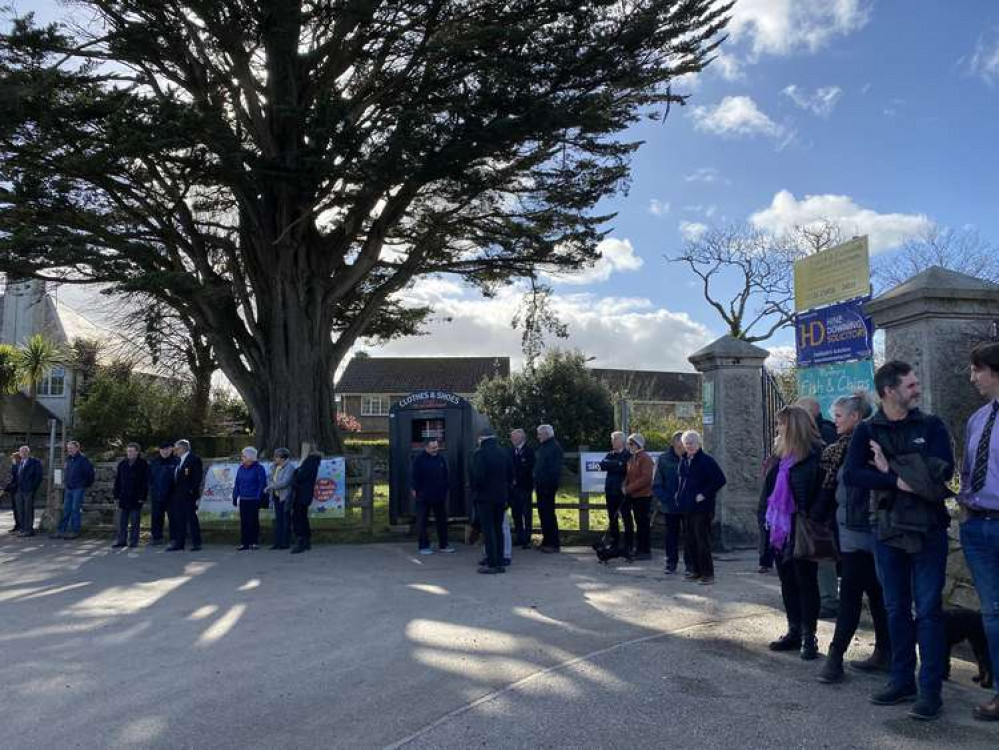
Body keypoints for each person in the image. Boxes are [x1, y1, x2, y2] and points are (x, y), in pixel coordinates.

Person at [843, 360, 954, 721]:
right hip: (887, 529)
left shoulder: (932, 425)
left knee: (928, 611)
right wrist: (895, 481)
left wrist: (890, 467)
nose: (917, 389)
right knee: (895, 609)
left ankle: (930, 690)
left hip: (928, 530)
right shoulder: (867, 430)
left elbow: (939, 476)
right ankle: (901, 679)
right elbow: (854, 475)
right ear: (889, 391)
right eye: (910, 385)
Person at [817, 392, 891, 684]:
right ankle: (884, 652)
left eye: (838, 415)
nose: (834, 421)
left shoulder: (869, 444)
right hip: (850, 530)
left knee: (858, 593)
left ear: (855, 417)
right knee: (872, 593)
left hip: (869, 530)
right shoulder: (841, 449)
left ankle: (836, 657)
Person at [762, 406, 827, 661]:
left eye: (781, 424)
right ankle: (794, 630)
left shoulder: (816, 454)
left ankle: (809, 636)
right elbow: (767, 497)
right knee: (787, 581)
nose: (778, 429)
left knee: (806, 582)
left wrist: (812, 516)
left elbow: (825, 491)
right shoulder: (780, 458)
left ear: (793, 426)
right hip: (780, 529)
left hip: (802, 527)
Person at [957, 343, 999, 722]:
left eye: (977, 369)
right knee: (992, 614)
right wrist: (966, 510)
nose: (972, 377)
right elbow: (969, 468)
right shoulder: (977, 419)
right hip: (978, 525)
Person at [797, 396, 840, 619]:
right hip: (812, 508)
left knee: (822, 556)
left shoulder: (825, 434)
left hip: (821, 510)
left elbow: (827, 476)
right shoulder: (812, 436)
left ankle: (829, 600)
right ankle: (821, 598)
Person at [676, 430, 726, 585]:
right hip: (687, 506)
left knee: (701, 540)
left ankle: (708, 574)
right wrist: (678, 496)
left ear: (699, 444)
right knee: (690, 540)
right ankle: (695, 571)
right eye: (687, 443)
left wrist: (704, 494)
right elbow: (682, 481)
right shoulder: (684, 460)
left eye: (692, 442)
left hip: (702, 508)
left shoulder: (706, 460)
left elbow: (720, 479)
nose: (689, 446)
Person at [470, 427, 512, 574]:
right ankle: (500, 561)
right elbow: (510, 476)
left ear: (481, 438)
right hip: (501, 497)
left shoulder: (480, 454)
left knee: (488, 531)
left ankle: (492, 563)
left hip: (485, 498)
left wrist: (474, 489)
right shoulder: (504, 452)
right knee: (498, 529)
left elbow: (478, 476)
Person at [654, 431, 691, 575]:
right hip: (670, 506)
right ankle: (671, 563)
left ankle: (690, 565)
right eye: (680, 442)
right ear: (673, 443)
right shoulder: (663, 459)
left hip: (688, 505)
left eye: (684, 442)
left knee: (689, 536)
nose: (682, 445)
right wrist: (666, 498)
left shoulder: (691, 458)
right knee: (671, 536)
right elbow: (657, 483)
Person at [410, 439, 455, 555]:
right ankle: (423, 545)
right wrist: (415, 489)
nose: (436, 449)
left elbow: (445, 474)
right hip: (423, 495)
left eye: (437, 447)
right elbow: (414, 475)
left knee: (442, 520)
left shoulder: (440, 458)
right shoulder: (419, 459)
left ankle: (443, 544)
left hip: (439, 494)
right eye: (433, 447)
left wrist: (445, 488)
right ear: (426, 447)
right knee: (423, 521)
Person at [166, 439, 204, 552]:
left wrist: (191, 490)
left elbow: (197, 477)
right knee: (179, 519)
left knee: (191, 518)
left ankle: (196, 543)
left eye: (176, 449)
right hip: (177, 494)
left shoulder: (194, 459)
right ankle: (179, 543)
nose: (174, 451)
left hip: (188, 495)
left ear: (182, 448)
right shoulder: (178, 460)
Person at [622, 433, 654, 560]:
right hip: (635, 495)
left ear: (638, 444)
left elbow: (646, 478)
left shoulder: (644, 458)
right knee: (639, 523)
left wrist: (628, 488)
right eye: (629, 444)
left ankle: (645, 550)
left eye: (632, 443)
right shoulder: (632, 458)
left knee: (643, 524)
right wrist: (624, 485)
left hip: (644, 496)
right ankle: (640, 549)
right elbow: (628, 475)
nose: (630, 446)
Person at [533, 424, 564, 554]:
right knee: (544, 515)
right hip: (541, 486)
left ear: (546, 434)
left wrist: (546, 483)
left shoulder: (554, 448)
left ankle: (553, 543)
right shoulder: (546, 447)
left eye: (540, 434)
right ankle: (547, 541)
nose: (538, 436)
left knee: (548, 515)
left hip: (547, 486)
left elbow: (554, 470)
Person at [56, 441, 95, 539]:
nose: (69, 450)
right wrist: (66, 482)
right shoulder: (68, 459)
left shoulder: (83, 459)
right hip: (69, 488)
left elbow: (90, 473)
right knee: (66, 510)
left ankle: (75, 531)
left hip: (78, 488)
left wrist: (84, 485)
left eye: (72, 448)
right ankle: (61, 531)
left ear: (77, 448)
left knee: (75, 510)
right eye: (68, 448)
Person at [599, 431, 631, 553]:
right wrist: (617, 464)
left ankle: (628, 545)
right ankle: (614, 543)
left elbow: (625, 467)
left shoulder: (627, 455)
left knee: (626, 518)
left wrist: (615, 465)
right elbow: (602, 465)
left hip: (623, 492)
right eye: (612, 439)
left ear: (621, 441)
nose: (612, 442)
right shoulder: (610, 454)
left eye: (614, 439)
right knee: (612, 518)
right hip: (610, 491)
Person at [112, 443, 149, 548]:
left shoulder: (143, 464)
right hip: (124, 497)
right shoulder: (122, 464)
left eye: (132, 451)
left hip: (136, 497)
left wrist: (142, 497)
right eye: (128, 451)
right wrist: (116, 495)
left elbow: (145, 482)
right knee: (122, 522)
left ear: (137, 452)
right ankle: (121, 541)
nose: (130, 453)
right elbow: (118, 481)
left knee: (135, 522)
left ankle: (134, 542)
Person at [232, 446, 267, 551]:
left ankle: (254, 542)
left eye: (244, 456)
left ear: (250, 457)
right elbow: (237, 483)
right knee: (244, 521)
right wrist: (235, 496)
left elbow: (261, 483)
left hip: (253, 498)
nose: (242, 458)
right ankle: (244, 543)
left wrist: (258, 497)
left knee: (253, 521)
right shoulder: (241, 468)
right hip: (243, 498)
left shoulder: (259, 468)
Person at [508, 429, 535, 549]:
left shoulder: (529, 451)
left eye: (514, 437)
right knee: (516, 513)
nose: (512, 440)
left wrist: (516, 478)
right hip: (513, 488)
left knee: (526, 513)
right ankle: (519, 537)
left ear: (521, 438)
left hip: (524, 486)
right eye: (511, 438)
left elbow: (528, 468)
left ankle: (527, 538)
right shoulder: (510, 451)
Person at [147, 442, 178, 546]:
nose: (165, 451)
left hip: (172, 495)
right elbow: (149, 478)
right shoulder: (154, 462)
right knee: (156, 517)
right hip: (157, 494)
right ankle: (156, 538)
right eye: (163, 449)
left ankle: (174, 539)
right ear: (159, 450)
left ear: (172, 450)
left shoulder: (177, 461)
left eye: (167, 449)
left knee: (173, 518)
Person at [290, 452, 320, 554]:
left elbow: (299, 477)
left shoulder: (307, 467)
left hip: (301, 496)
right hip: (306, 496)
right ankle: (306, 541)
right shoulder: (314, 467)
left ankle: (301, 540)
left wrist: (297, 471)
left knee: (298, 518)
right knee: (303, 517)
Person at [266, 448, 295, 550]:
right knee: (278, 520)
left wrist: (272, 486)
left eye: (276, 456)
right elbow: (269, 478)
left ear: (282, 458)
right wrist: (270, 485)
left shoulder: (289, 467)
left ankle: (284, 543)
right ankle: (277, 542)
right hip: (276, 496)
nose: (274, 458)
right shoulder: (274, 467)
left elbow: (285, 482)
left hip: (285, 497)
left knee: (285, 520)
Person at [14, 446, 42, 537]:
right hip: (19, 491)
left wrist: (32, 488)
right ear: (19, 453)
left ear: (28, 452)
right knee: (20, 510)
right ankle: (22, 529)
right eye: (21, 452)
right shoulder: (18, 462)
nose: (23, 453)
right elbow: (15, 476)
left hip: (28, 490)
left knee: (28, 510)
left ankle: (29, 530)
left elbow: (38, 477)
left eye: (25, 451)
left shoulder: (35, 462)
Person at [5, 451, 22, 534]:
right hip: (13, 490)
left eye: (13, 458)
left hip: (17, 490)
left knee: (18, 509)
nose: (12, 460)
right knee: (15, 509)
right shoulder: (14, 466)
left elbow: (14, 479)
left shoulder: (18, 466)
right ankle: (17, 525)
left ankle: (20, 526)